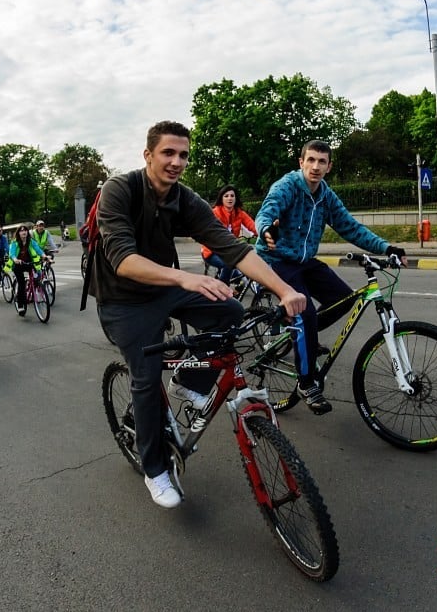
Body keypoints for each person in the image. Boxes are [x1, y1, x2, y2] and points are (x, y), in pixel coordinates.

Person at [91, 120, 306, 509]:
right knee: (145, 376)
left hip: (165, 287)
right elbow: (122, 259)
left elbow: (233, 249)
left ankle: (189, 379)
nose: (176, 162)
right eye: (168, 153)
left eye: (183, 155)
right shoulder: (119, 190)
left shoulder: (183, 198)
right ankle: (154, 470)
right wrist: (185, 279)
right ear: (148, 155)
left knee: (230, 312)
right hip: (122, 299)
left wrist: (285, 290)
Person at [255, 139, 407, 416]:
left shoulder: (325, 196)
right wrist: (267, 229)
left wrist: (386, 247)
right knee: (305, 312)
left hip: (303, 262)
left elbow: (350, 227)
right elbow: (267, 212)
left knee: (343, 299)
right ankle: (306, 382)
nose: (315, 166)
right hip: (275, 260)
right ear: (301, 162)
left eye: (321, 161)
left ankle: (302, 335)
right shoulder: (287, 186)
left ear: (329, 166)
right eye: (310, 160)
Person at [201, 185, 257, 284]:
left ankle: (238, 286)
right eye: (226, 196)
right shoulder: (215, 213)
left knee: (240, 271)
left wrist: (264, 233)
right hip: (211, 252)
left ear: (235, 198)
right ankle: (223, 292)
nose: (229, 198)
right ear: (221, 199)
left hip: (229, 251)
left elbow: (252, 225)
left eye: (232, 195)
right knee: (229, 264)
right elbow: (211, 233)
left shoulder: (239, 213)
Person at [5, 225, 45, 317]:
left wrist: (44, 256)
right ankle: (20, 305)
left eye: (25, 230)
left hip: (28, 263)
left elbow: (38, 250)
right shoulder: (14, 243)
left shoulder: (31, 241)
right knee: (21, 284)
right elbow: (12, 253)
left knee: (37, 276)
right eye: (21, 231)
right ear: (18, 233)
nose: (24, 232)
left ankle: (34, 292)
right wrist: (15, 259)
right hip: (18, 265)